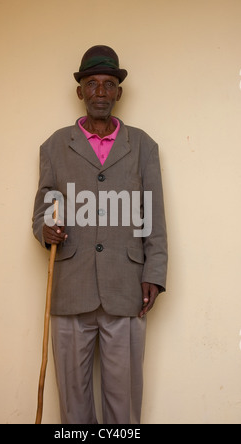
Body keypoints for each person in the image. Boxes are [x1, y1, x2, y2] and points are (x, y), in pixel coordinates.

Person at [32, 45, 168, 424]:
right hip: (70, 288)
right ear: (80, 91)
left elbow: (152, 215)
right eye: (92, 84)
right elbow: (42, 208)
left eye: (109, 84)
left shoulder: (142, 145)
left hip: (126, 288)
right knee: (73, 402)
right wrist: (45, 229)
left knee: (123, 402)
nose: (101, 92)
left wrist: (153, 275)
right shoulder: (55, 146)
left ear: (119, 93)